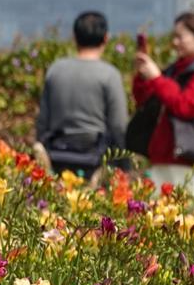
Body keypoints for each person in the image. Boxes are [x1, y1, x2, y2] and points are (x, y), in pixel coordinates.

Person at [130, 12, 194, 196]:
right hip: (164, 157)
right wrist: (143, 76)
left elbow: (185, 105)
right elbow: (143, 98)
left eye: (180, 37)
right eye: (174, 37)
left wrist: (157, 78)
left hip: (187, 160)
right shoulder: (175, 70)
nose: (175, 42)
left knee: (184, 217)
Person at [35, 11, 129, 179]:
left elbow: (42, 122)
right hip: (96, 160)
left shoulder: (56, 70)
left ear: (74, 37)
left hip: (57, 156)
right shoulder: (109, 74)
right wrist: (124, 164)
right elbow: (119, 125)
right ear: (106, 38)